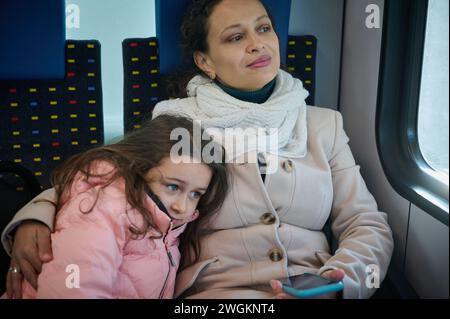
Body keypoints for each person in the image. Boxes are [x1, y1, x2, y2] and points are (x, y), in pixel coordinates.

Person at [2, 0, 393, 299]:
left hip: (316, 288)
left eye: (264, 29)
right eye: (236, 37)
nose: (258, 44)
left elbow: (365, 222)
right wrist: (36, 216)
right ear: (205, 61)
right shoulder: (178, 125)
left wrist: (344, 278)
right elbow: (103, 181)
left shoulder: (324, 125)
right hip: (216, 295)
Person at [1, 115, 229, 298]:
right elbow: (75, 287)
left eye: (195, 194)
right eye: (172, 187)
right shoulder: (103, 209)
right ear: (140, 167)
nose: (183, 206)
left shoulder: (166, 225)